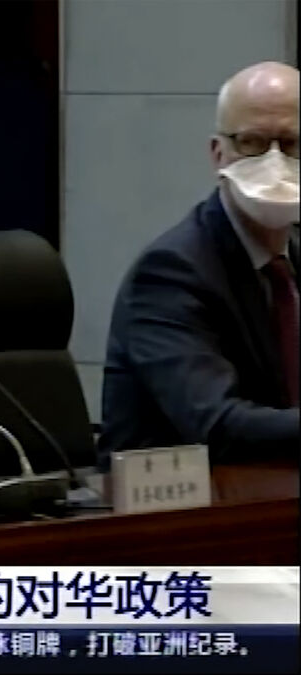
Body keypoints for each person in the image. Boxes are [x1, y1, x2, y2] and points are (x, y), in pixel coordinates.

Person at [100, 61, 299, 468]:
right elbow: (217, 426)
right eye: (252, 142)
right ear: (218, 155)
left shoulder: (293, 254)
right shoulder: (170, 273)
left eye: (292, 143)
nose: (274, 163)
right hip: (182, 501)